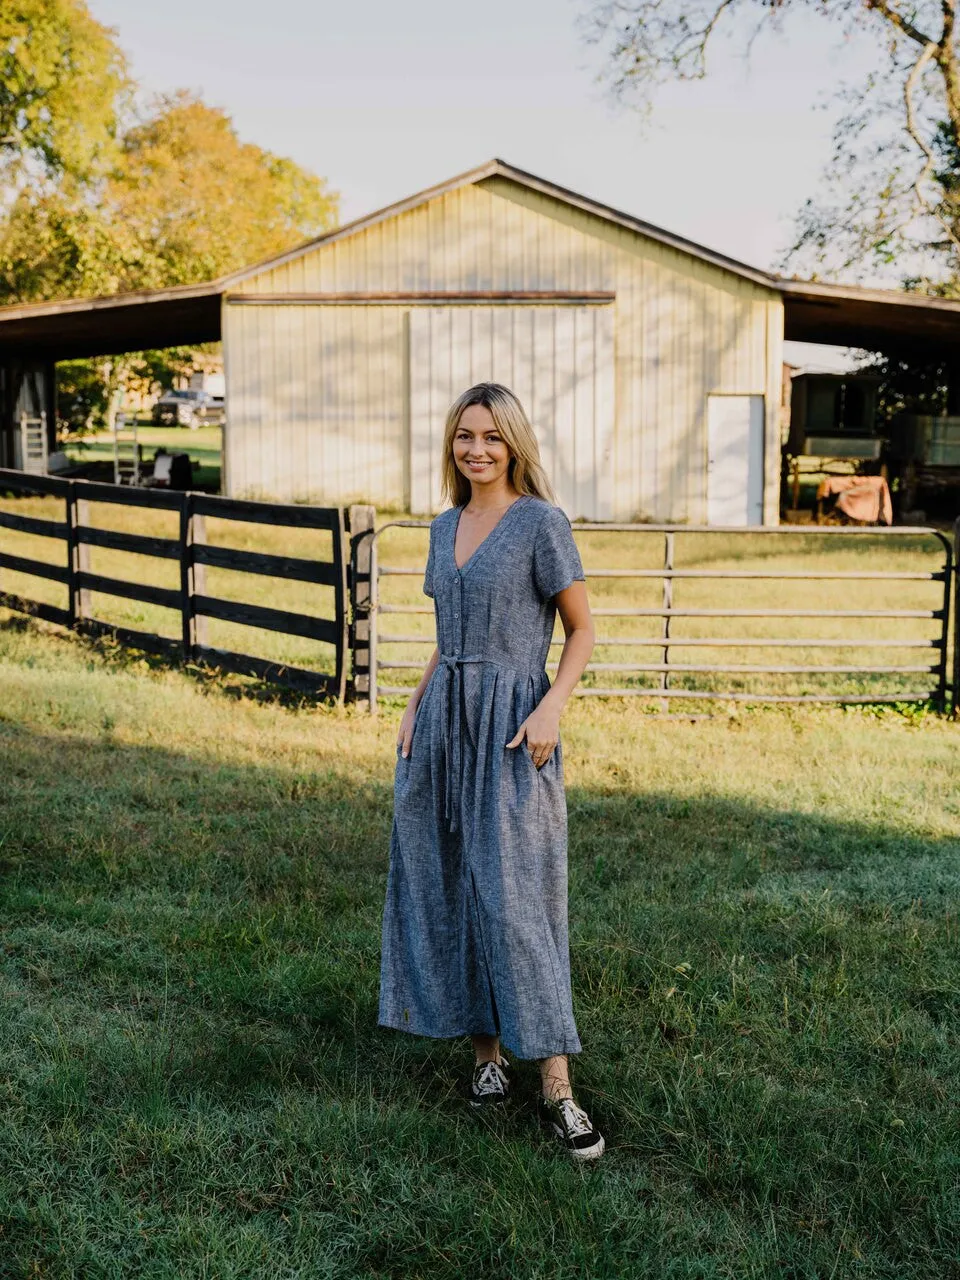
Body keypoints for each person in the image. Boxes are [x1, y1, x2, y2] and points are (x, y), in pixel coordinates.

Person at [377, 382, 604, 1161]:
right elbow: (449, 635)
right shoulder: (444, 527)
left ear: (514, 444)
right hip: (443, 721)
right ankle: (486, 1061)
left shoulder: (541, 524)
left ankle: (559, 1087)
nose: (476, 449)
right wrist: (413, 706)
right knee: (451, 882)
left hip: (513, 728)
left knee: (518, 897)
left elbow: (581, 631)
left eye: (491, 437)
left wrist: (551, 708)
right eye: (464, 436)